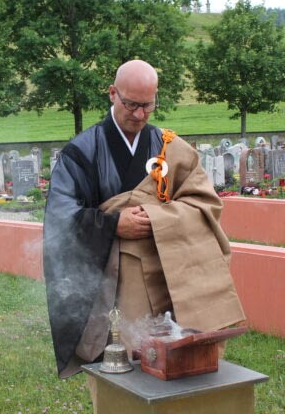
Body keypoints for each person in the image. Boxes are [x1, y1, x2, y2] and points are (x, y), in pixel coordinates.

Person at [43, 59, 245, 379]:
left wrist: (157, 217)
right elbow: (58, 219)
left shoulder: (169, 148)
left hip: (170, 279)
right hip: (115, 284)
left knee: (178, 364)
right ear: (112, 94)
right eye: (131, 104)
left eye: (147, 106)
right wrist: (112, 224)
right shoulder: (81, 152)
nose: (139, 115)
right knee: (123, 371)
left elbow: (205, 204)